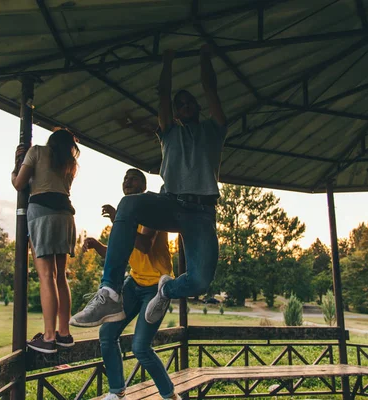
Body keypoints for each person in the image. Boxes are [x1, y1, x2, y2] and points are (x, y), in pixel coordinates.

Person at [71, 44, 226, 327]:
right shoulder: (168, 132)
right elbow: (163, 95)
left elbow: (211, 89)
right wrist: (168, 60)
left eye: (190, 101)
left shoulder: (214, 130)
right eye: (180, 104)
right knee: (129, 203)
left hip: (202, 214)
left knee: (200, 281)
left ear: (198, 106)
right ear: (176, 113)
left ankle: (166, 289)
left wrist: (204, 57)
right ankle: (109, 292)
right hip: (170, 203)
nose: (185, 106)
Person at [83, 168, 179, 400]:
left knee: (140, 347)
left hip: (157, 288)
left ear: (143, 186)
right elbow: (117, 253)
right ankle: (117, 391)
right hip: (134, 283)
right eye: (125, 178)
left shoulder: (150, 209)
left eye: (133, 177)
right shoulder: (124, 219)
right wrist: (97, 245)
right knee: (107, 333)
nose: (128, 180)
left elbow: (144, 243)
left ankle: (169, 395)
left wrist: (119, 220)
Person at [12, 128, 80, 352]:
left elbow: (19, 184)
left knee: (46, 276)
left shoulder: (37, 152)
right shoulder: (69, 165)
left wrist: (16, 166)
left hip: (42, 213)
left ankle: (49, 338)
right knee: (60, 276)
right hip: (65, 215)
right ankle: (64, 333)